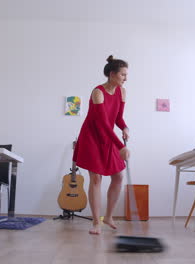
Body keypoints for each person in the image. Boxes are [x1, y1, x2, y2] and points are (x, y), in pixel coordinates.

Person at [73, 55, 130, 235]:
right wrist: (121, 146)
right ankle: (96, 222)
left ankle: (109, 216)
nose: (125, 78)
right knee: (96, 178)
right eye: (123, 74)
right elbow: (103, 124)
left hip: (108, 137)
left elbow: (117, 118)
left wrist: (125, 127)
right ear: (112, 74)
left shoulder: (122, 91)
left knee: (118, 176)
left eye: (126, 75)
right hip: (92, 136)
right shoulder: (97, 92)